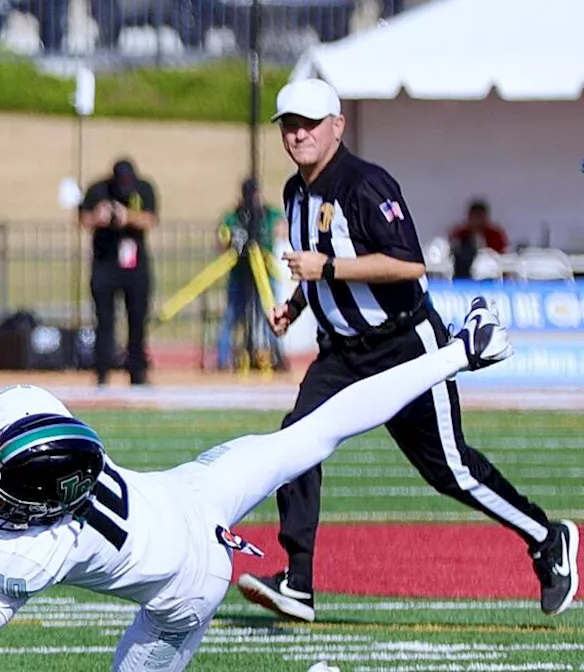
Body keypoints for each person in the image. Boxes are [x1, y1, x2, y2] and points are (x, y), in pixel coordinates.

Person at [0, 298, 544, 672]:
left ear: (42, 500)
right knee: (312, 435)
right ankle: (459, 352)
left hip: (189, 582)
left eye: (7, 489)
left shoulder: (25, 556)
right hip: (192, 495)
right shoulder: (37, 419)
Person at [236, 78, 577, 624]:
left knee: (451, 471)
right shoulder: (295, 192)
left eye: (309, 123)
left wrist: (326, 271)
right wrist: (299, 303)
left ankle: (546, 536)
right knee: (294, 444)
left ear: (336, 126)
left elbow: (408, 263)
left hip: (404, 346)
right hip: (342, 354)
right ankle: (297, 581)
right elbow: (319, 258)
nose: (298, 135)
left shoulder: (366, 184)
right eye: (289, 126)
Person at [78, 159, 159, 386]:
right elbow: (82, 218)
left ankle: (137, 372)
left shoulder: (143, 189)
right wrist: (98, 217)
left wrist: (128, 216)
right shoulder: (98, 189)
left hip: (135, 265)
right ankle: (102, 371)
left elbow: (151, 219)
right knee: (104, 321)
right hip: (106, 263)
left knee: (137, 319)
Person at [215, 177, 289, 370]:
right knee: (232, 316)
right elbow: (221, 241)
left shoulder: (269, 215)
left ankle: (276, 355)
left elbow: (282, 228)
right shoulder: (234, 218)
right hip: (240, 274)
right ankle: (223, 360)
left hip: (264, 274)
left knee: (271, 316)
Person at [448, 199, 510, 279]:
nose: (477, 221)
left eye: (480, 216)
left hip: (490, 275)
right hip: (463, 275)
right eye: (475, 217)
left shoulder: (495, 234)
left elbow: (503, 254)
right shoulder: (460, 233)